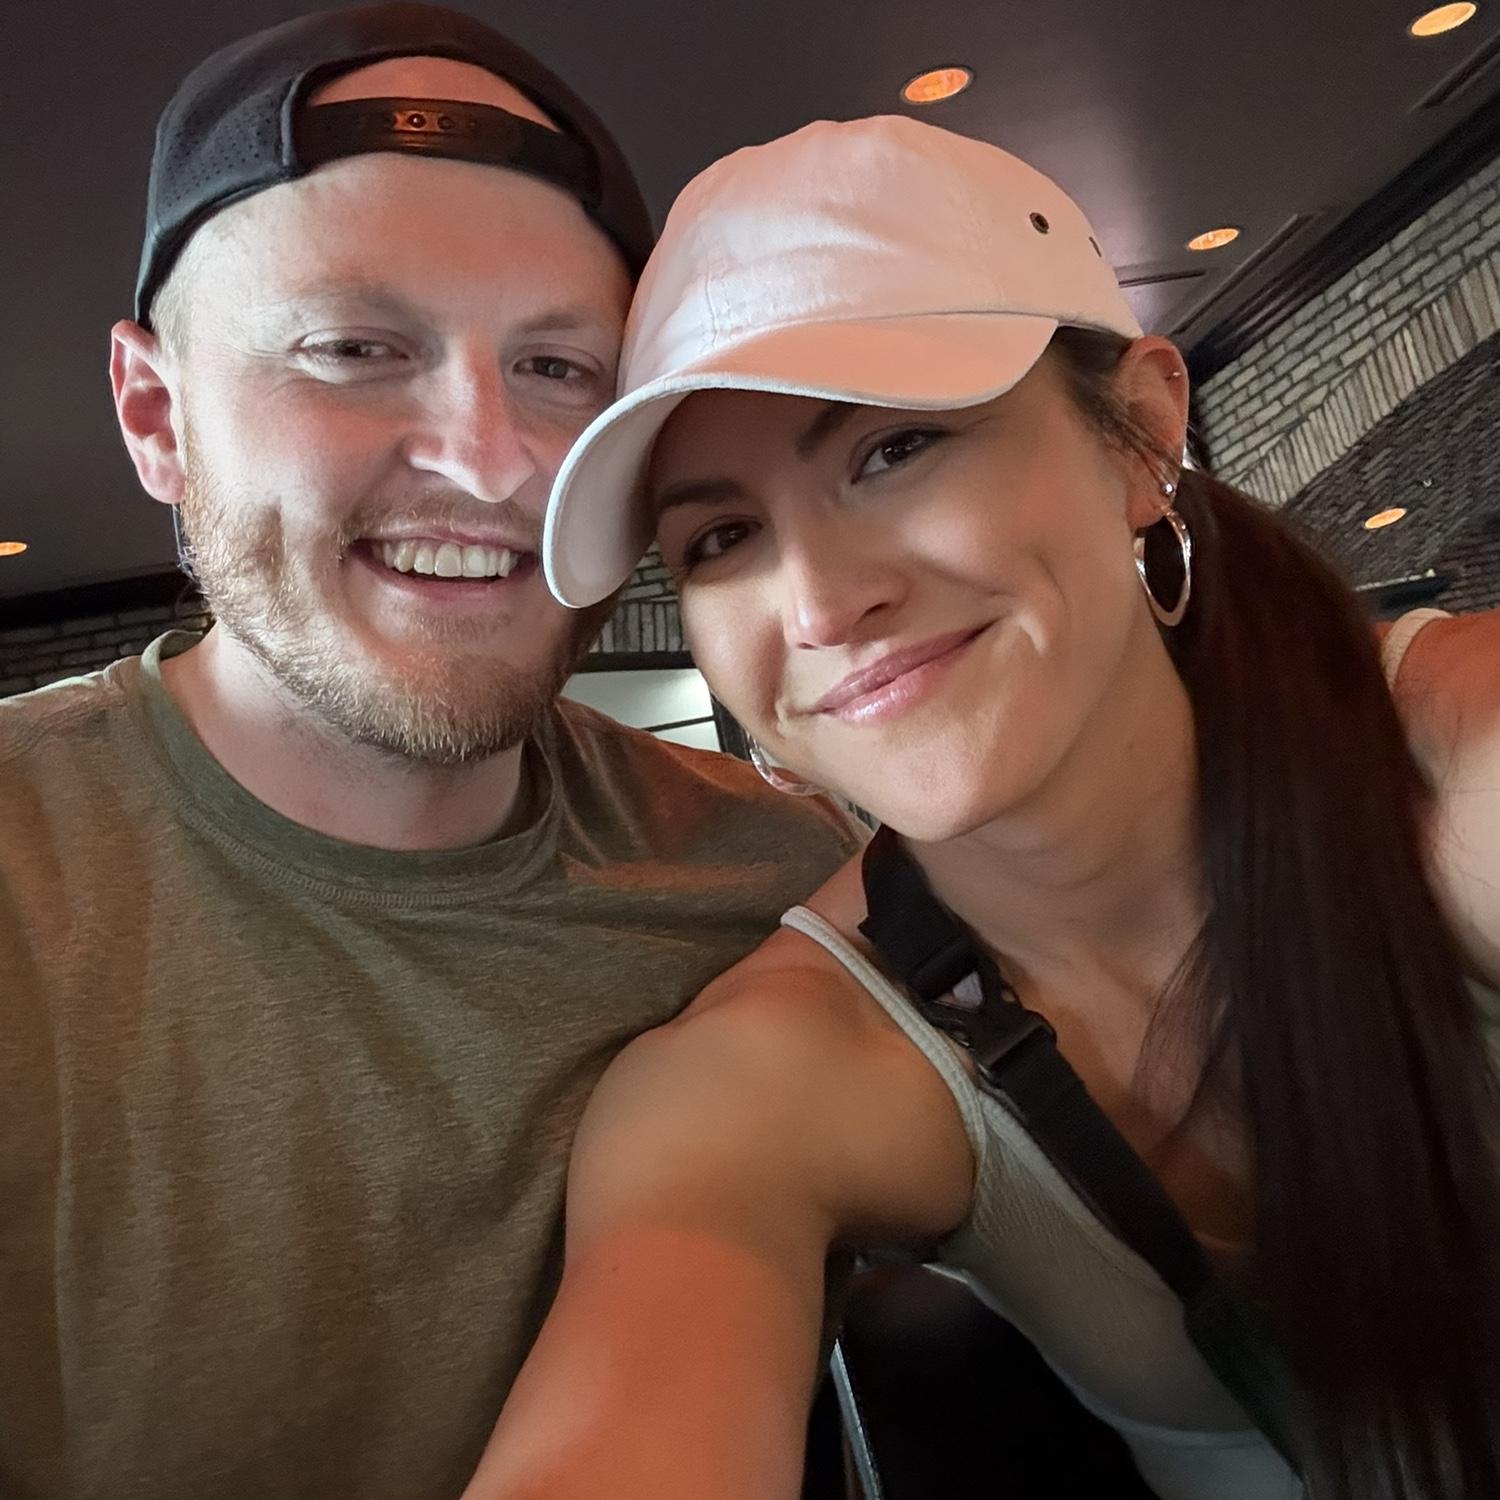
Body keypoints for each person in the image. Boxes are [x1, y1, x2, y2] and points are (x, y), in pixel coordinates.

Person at [471, 117, 1500, 1499]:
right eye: (721, 537)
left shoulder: (1454, 753)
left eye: (894, 449)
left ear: (1141, 434)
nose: (820, 604)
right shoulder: (770, 1070)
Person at [0, 9, 863, 1498]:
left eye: (559, 366)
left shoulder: (786, 890)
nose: (488, 458)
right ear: (156, 416)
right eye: (353, 349)